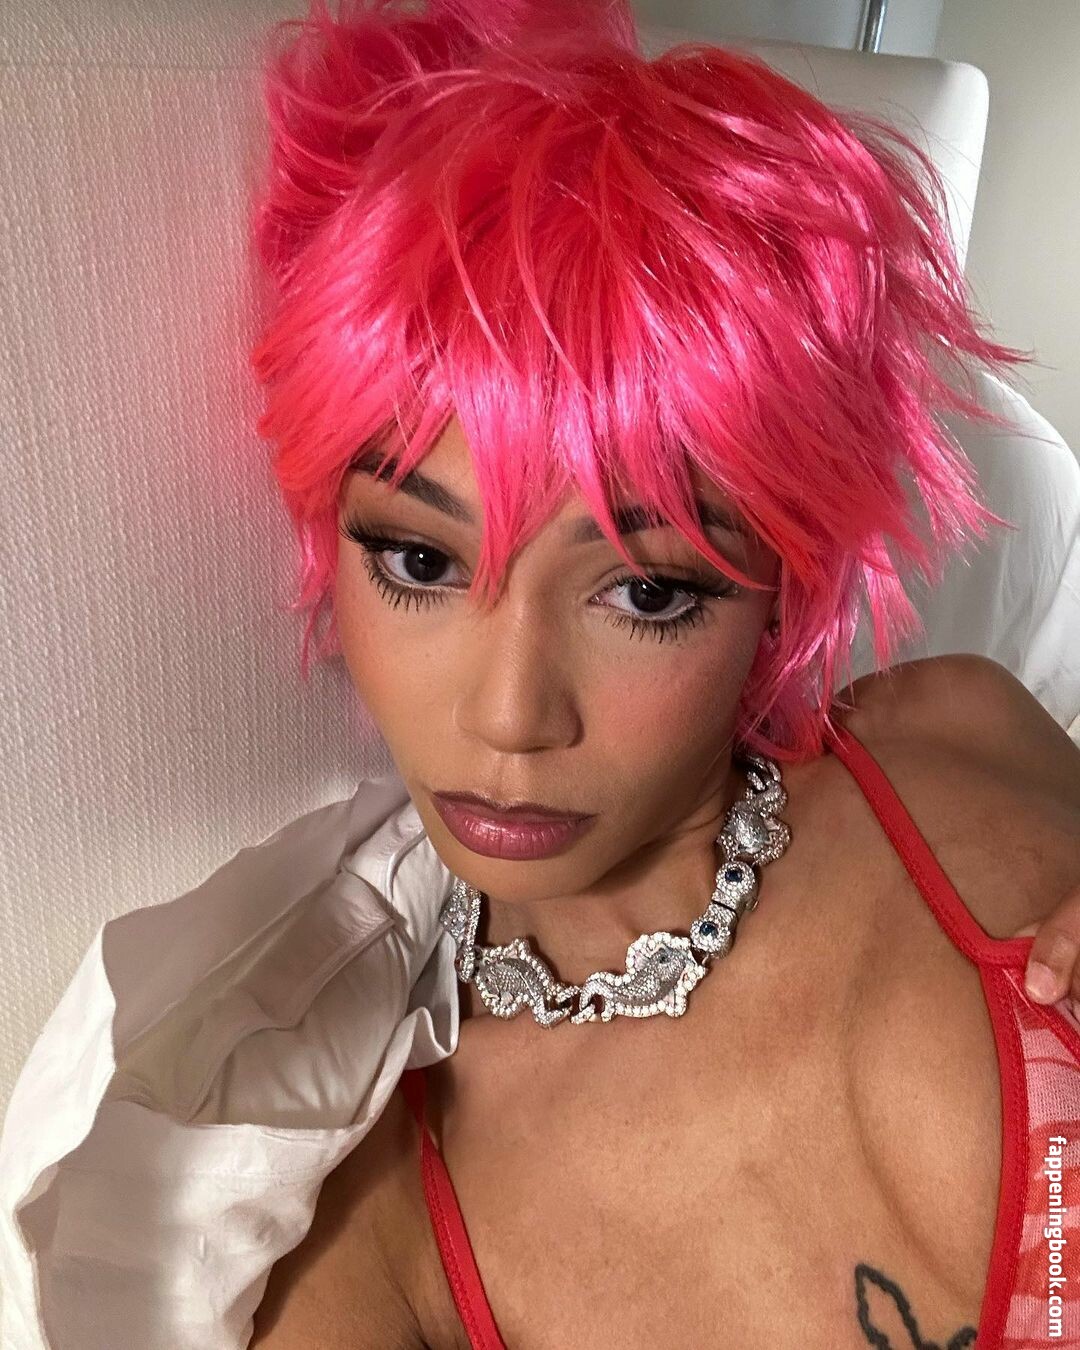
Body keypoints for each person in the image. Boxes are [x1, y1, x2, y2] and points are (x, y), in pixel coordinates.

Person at [1, 1, 1078, 1348]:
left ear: (780, 589)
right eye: (420, 561)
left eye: (646, 592)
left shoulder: (961, 731)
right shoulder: (383, 1228)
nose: (509, 717)